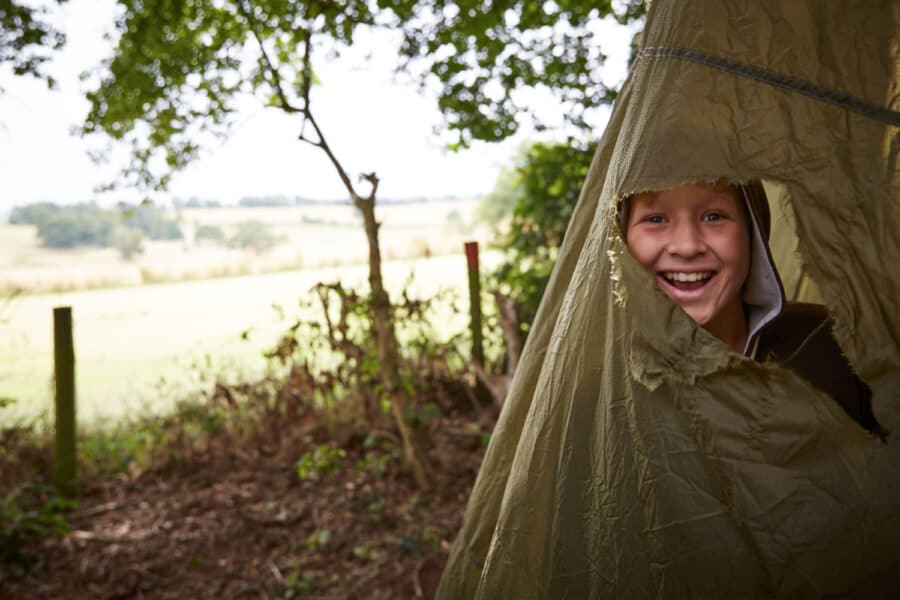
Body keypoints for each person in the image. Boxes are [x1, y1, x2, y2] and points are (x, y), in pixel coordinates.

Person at [620, 179, 882, 434]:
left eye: (714, 217)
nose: (688, 247)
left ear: (752, 233)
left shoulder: (837, 345)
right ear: (620, 241)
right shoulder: (603, 387)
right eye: (655, 220)